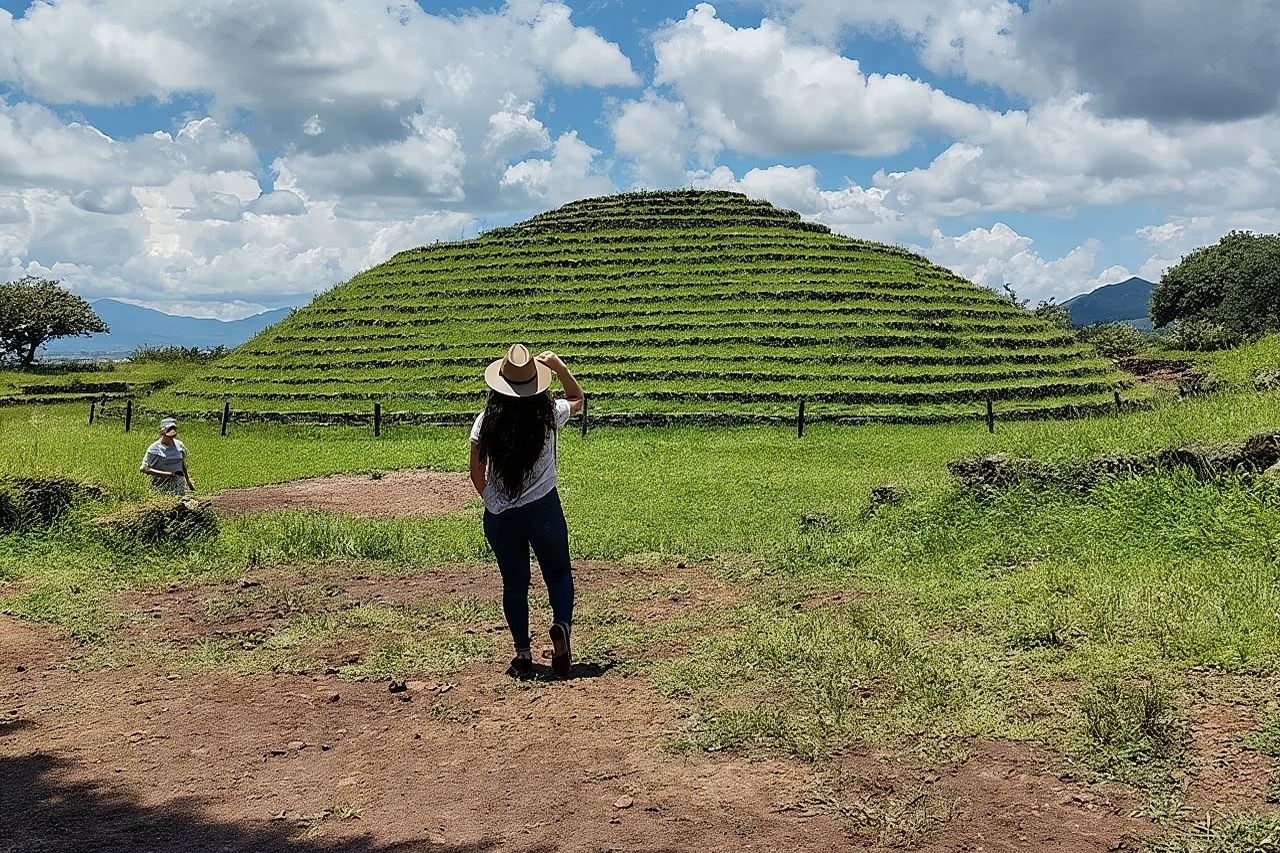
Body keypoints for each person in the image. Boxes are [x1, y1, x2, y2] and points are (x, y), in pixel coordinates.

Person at [470, 344, 584, 679]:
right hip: (543, 508)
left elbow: (476, 472)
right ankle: (561, 626)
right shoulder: (548, 413)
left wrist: (492, 499)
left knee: (515, 582)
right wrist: (560, 367)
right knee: (559, 574)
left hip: (501, 515)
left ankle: (522, 653)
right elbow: (578, 399)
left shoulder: (485, 421)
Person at [140, 417, 195, 496]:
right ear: (163, 432)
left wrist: (188, 480)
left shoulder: (179, 445)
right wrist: (166, 474)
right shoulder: (154, 449)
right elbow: (144, 468)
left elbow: (182, 463)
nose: (171, 437)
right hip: (161, 487)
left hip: (179, 486)